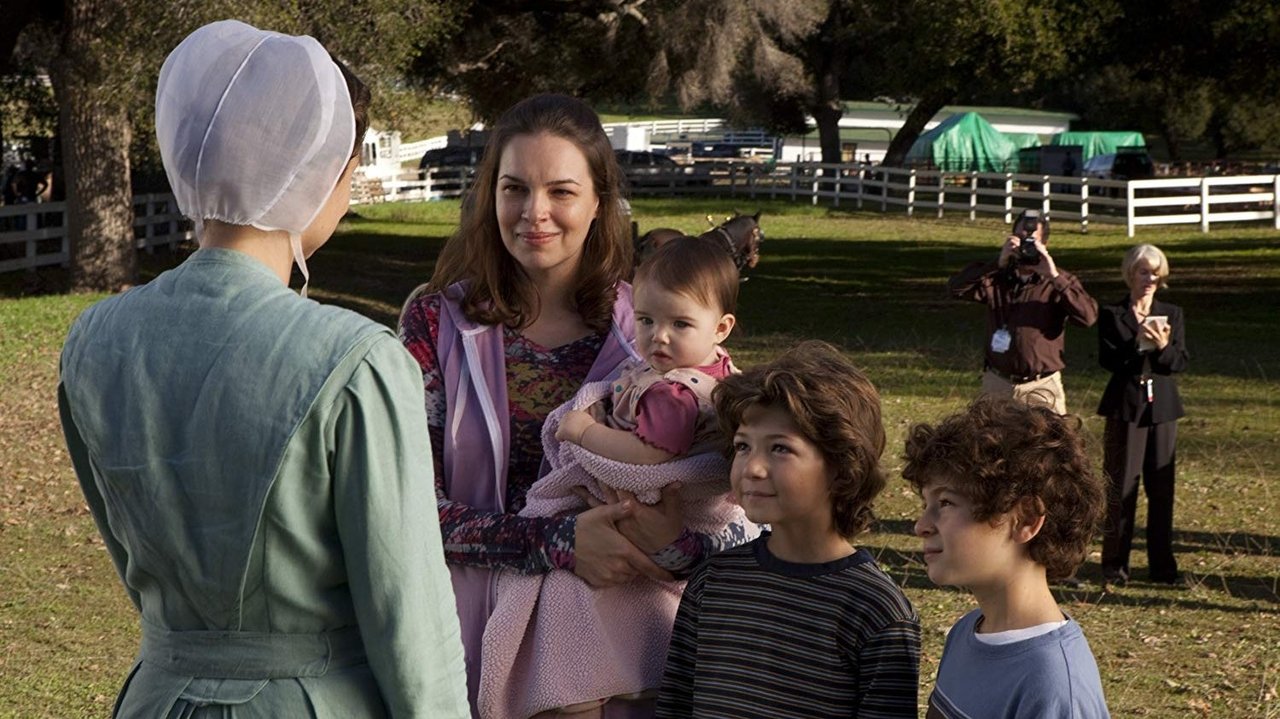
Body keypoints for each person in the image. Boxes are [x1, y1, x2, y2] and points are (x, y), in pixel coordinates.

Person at [57, 20, 467, 717]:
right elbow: (411, 626)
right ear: (316, 174)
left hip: (158, 697)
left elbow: (132, 558)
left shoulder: (93, 341)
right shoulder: (357, 361)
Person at [398, 93, 753, 718]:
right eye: (514, 189)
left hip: (628, 655)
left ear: (599, 203)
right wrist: (557, 539)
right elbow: (405, 512)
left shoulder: (659, 332)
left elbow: (738, 519)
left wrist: (667, 543)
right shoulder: (435, 325)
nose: (535, 213)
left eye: (561, 191)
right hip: (461, 655)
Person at [479, 236, 753, 718]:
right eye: (645, 321)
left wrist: (583, 432)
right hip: (655, 530)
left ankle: (575, 700)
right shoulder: (696, 372)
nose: (658, 337)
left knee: (566, 607)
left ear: (722, 327)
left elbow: (646, 457)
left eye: (679, 323)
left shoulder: (677, 393)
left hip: (671, 512)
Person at [656, 341, 921, 719]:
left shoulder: (878, 611)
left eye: (780, 448)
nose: (753, 468)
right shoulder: (713, 581)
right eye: (743, 446)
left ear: (842, 465)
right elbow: (674, 706)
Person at [904, 396, 1110, 718]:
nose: (921, 526)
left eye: (945, 503)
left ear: (1026, 519)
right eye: (925, 505)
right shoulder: (967, 632)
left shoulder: (1055, 688)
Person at [1097, 244, 1188, 586]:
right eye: (1143, 272)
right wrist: (1137, 342)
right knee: (1121, 486)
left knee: (1161, 488)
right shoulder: (1112, 313)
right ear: (1130, 274)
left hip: (1162, 408)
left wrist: (1163, 346)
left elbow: (1178, 362)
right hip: (1126, 406)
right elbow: (1108, 361)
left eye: (1155, 272)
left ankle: (1163, 568)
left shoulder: (1172, 313)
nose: (1150, 279)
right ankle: (1114, 566)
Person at [948, 211, 1098, 414]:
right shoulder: (996, 278)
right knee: (991, 443)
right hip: (998, 382)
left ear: (1044, 244)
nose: (1024, 247)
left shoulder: (1059, 282)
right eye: (1019, 239)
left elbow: (1087, 317)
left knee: (1049, 444)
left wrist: (1053, 276)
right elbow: (956, 290)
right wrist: (997, 263)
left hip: (1041, 386)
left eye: (1031, 241)